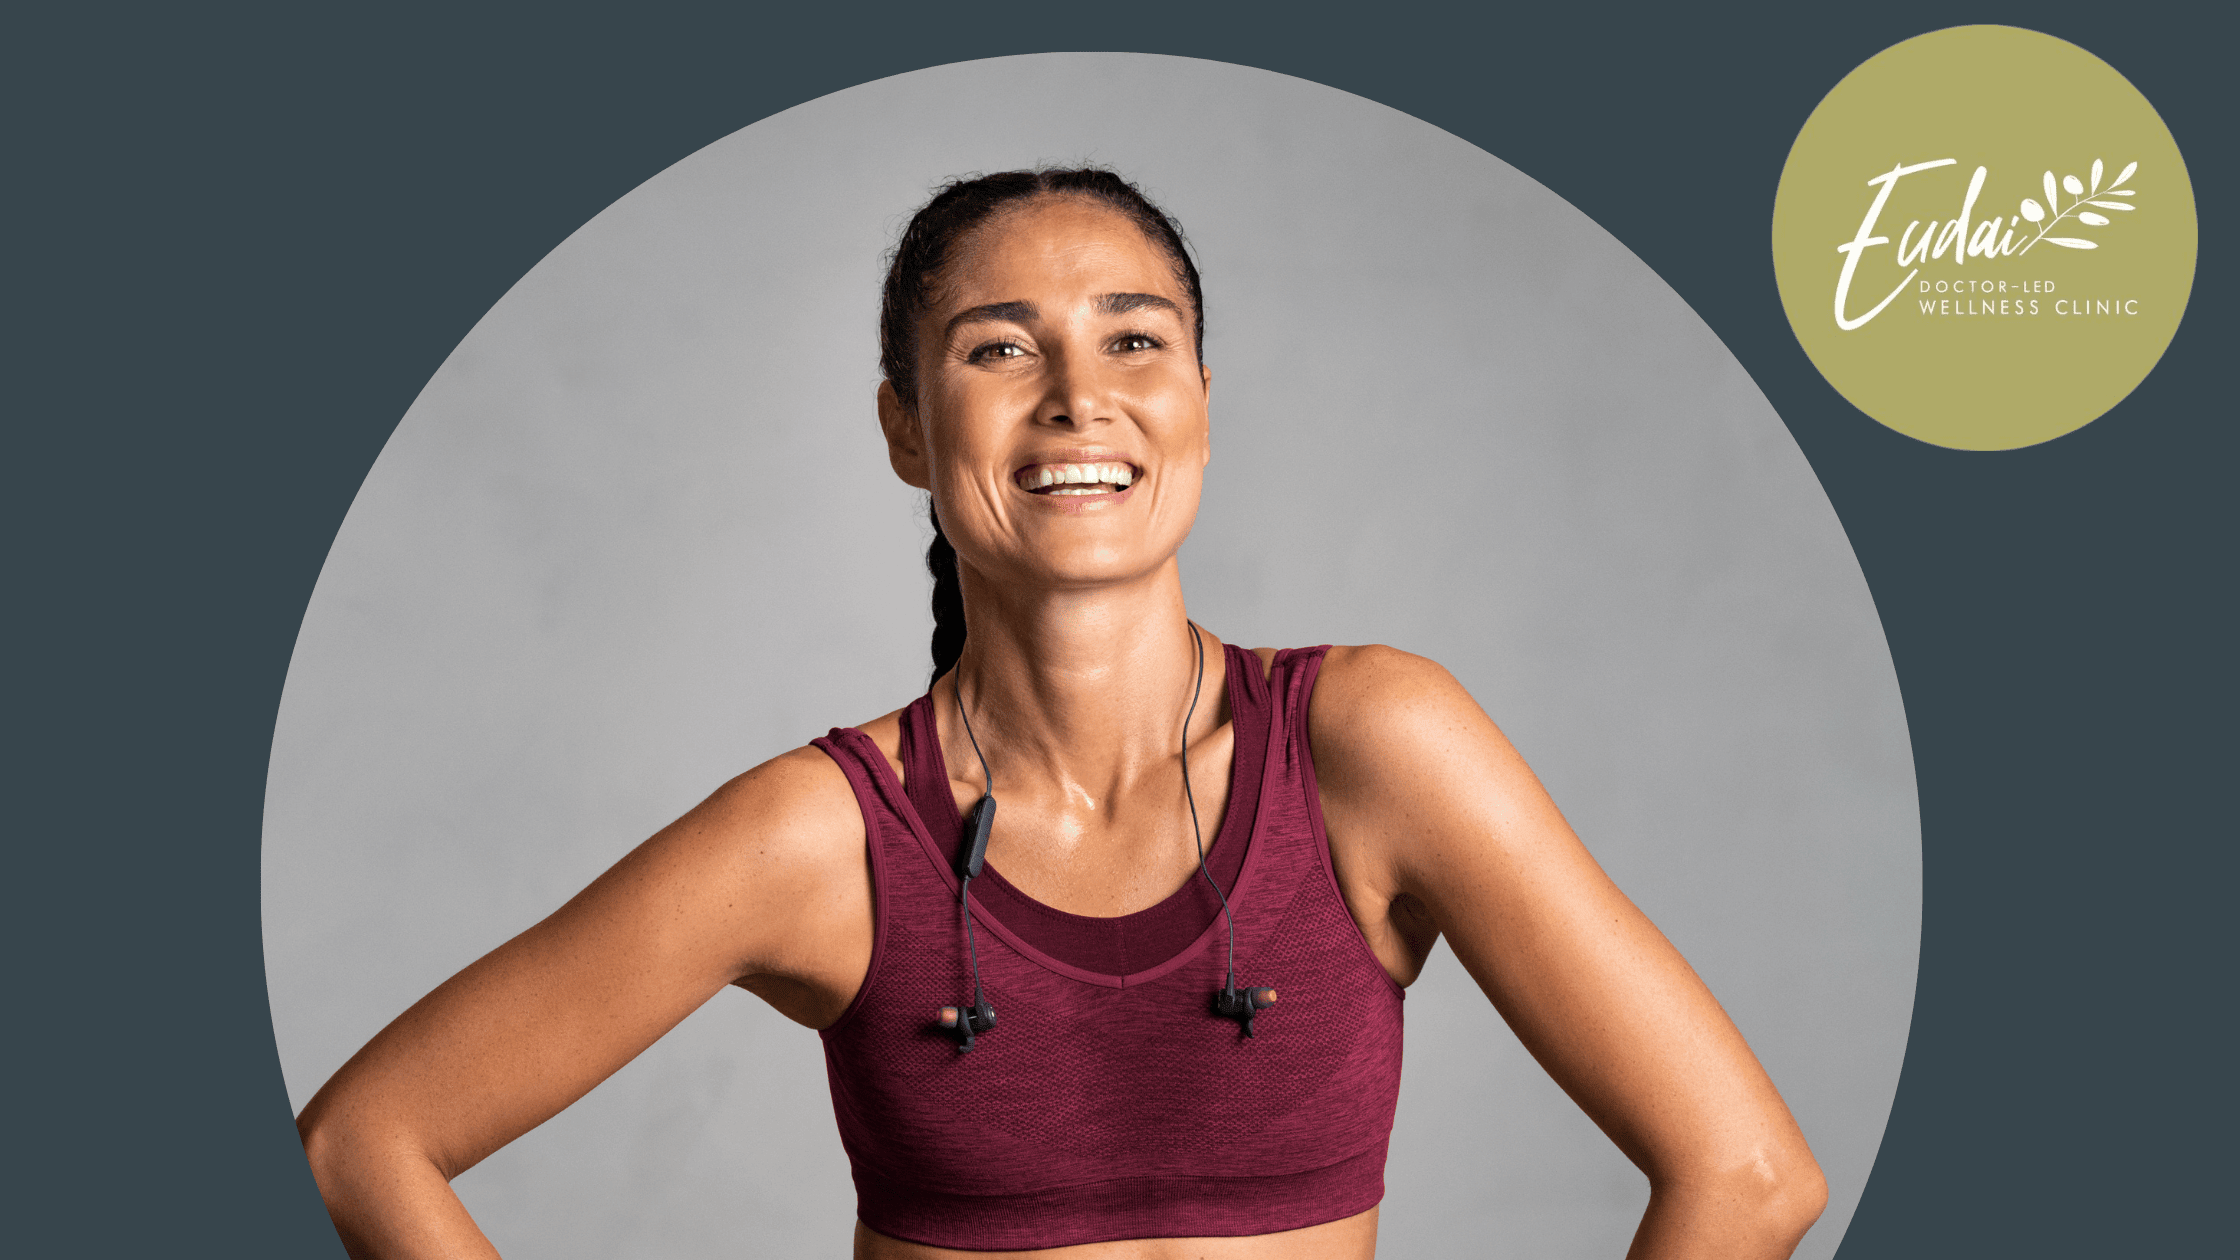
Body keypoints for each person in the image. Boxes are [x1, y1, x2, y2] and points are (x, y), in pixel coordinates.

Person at [296, 167, 1828, 1259]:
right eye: (999, 348)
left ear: (1203, 407)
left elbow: (1748, 1178)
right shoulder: (822, 838)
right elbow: (365, 1142)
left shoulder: (1372, 746)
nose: (1075, 396)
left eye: (1133, 338)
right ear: (907, 428)